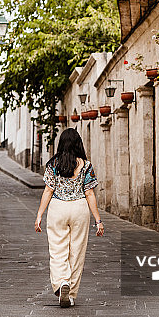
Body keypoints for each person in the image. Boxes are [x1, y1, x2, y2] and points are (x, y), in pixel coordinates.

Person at [35, 128, 104, 307]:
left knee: (57, 249)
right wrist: (98, 220)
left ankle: (61, 282)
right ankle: (71, 293)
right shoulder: (86, 165)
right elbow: (89, 193)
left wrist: (39, 215)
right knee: (77, 251)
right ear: (78, 143)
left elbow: (48, 190)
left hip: (58, 207)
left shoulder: (53, 164)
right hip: (79, 208)